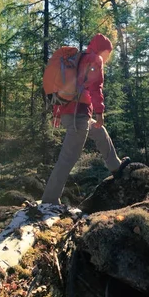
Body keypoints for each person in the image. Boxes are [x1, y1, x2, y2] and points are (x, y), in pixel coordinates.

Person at [41, 33, 131, 205]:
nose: (108, 57)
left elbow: (65, 87)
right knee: (68, 158)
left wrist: (58, 113)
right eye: (108, 52)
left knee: (99, 131)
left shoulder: (78, 59)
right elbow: (96, 88)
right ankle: (49, 200)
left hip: (72, 114)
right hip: (79, 116)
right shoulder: (94, 60)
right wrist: (100, 112)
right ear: (102, 49)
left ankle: (115, 166)